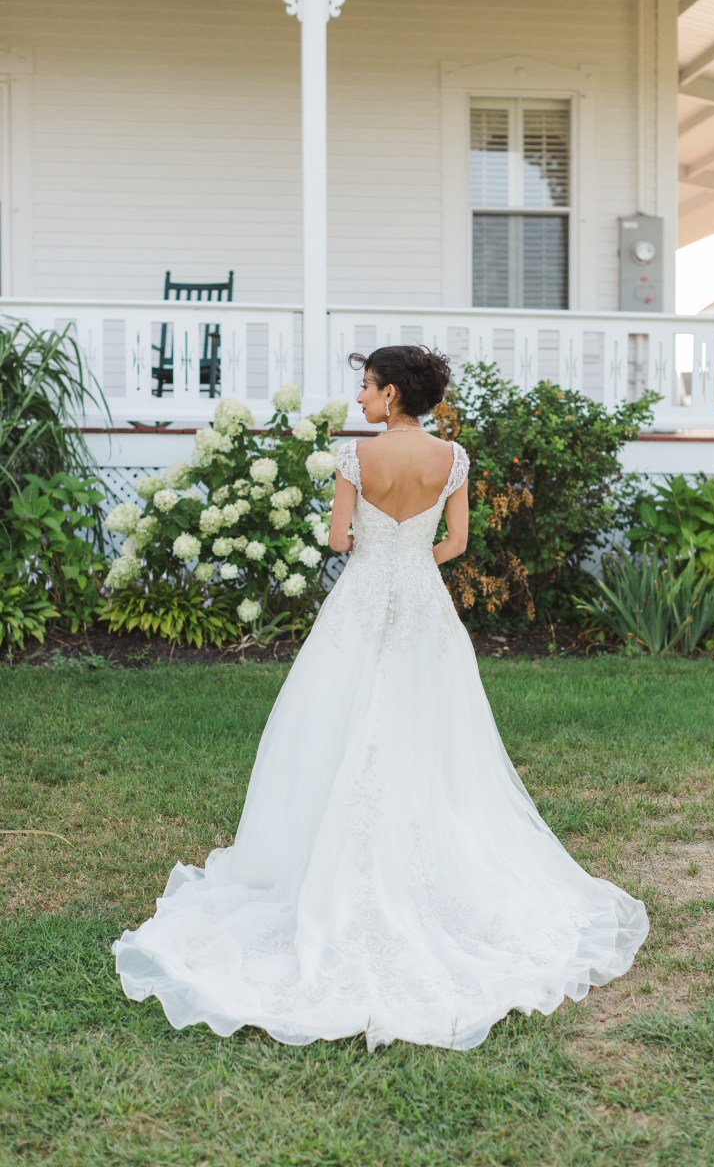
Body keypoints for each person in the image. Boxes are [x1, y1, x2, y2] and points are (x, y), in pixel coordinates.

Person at [112, 344, 649, 1052]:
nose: (360, 397)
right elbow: (456, 542)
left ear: (392, 394)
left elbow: (339, 538)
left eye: (366, 387)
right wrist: (408, 560)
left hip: (363, 599)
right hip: (422, 602)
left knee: (338, 720)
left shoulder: (355, 460)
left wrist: (376, 552)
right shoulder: (451, 460)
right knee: (431, 728)